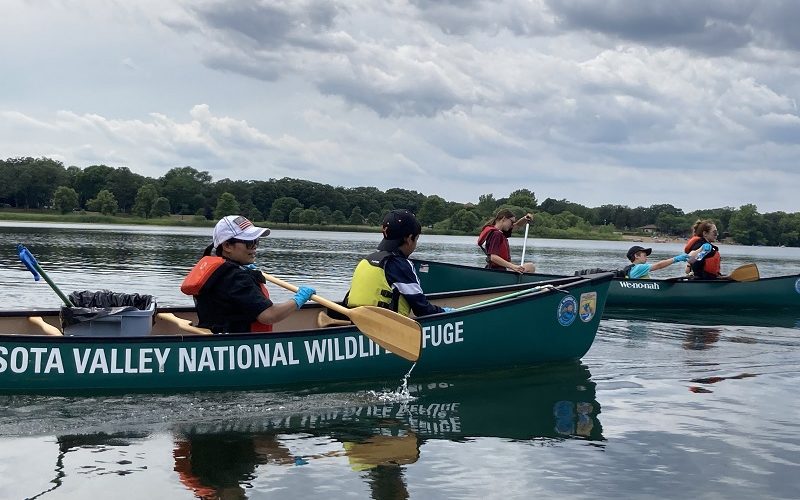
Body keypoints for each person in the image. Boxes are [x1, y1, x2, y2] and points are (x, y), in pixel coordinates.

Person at [180, 215, 316, 333]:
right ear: (227, 246)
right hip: (237, 343)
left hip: (218, 335)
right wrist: (298, 300)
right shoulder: (236, 277)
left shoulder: (221, 273)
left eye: (256, 241)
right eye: (249, 243)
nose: (255, 247)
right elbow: (269, 315)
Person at [346, 209, 453, 316]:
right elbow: (422, 309)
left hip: (357, 321)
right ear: (410, 238)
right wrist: (445, 312)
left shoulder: (366, 261)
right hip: (386, 326)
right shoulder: (400, 265)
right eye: (416, 238)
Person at [477, 209, 535, 273]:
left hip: (497, 269)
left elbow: (517, 225)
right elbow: (493, 257)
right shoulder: (496, 234)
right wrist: (513, 267)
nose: (512, 225)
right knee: (531, 267)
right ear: (504, 219)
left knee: (530, 267)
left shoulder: (501, 232)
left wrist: (525, 218)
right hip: (496, 271)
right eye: (511, 222)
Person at [623, 245, 689, 279]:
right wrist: (676, 259)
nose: (646, 257)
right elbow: (659, 265)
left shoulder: (631, 268)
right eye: (644, 255)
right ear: (636, 256)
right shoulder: (639, 267)